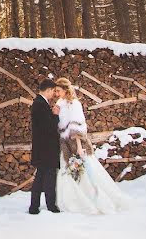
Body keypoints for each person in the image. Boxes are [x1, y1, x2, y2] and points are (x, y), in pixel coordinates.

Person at [53, 77, 130, 214]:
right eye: (56, 91)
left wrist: (79, 147)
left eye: (58, 91)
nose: (56, 94)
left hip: (76, 145)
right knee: (67, 172)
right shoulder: (60, 104)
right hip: (65, 145)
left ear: (65, 90)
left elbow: (78, 127)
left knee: (85, 172)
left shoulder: (74, 104)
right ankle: (70, 200)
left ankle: (92, 199)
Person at [29, 78, 61, 214]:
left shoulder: (40, 103)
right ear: (48, 90)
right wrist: (55, 116)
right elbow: (48, 127)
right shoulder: (40, 104)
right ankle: (51, 206)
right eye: (53, 91)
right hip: (46, 149)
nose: (53, 94)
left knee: (40, 177)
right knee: (49, 178)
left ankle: (34, 206)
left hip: (42, 149)